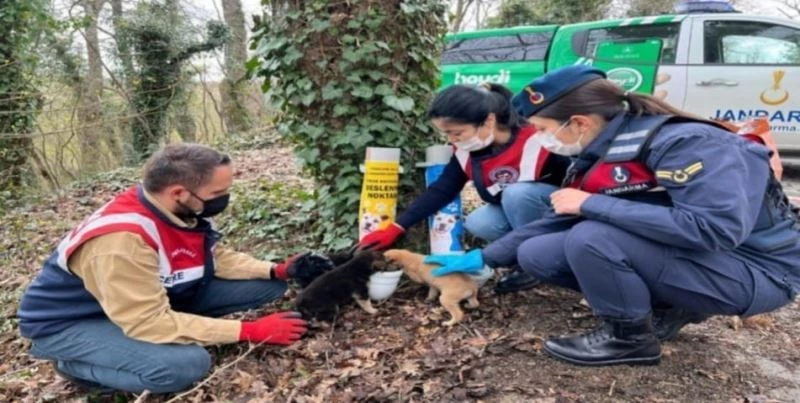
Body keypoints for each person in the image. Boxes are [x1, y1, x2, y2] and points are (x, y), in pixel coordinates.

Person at [424, 65, 800, 367]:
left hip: (760, 269)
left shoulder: (687, 143)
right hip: (708, 261)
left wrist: (591, 205)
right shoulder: (602, 151)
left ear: (579, 122)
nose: (539, 138)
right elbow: (558, 218)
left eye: (542, 129)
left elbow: (714, 230)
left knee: (592, 236)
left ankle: (629, 338)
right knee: (537, 253)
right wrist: (485, 258)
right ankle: (670, 307)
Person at [16, 144, 309, 393]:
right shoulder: (121, 242)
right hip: (72, 322)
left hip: (138, 301)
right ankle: (74, 366)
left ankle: (168, 333)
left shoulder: (179, 206)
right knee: (185, 366)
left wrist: (276, 270)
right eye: (218, 192)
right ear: (179, 192)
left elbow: (213, 256)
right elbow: (146, 322)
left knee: (267, 285)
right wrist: (249, 330)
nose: (224, 198)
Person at [359, 83, 569, 293]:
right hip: (520, 213)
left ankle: (541, 258)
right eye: (447, 134)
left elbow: (573, 183)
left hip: (559, 213)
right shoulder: (466, 151)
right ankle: (519, 255)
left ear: (489, 120)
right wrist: (398, 226)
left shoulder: (537, 139)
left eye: (457, 132)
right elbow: (442, 190)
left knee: (518, 194)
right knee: (480, 222)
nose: (452, 140)